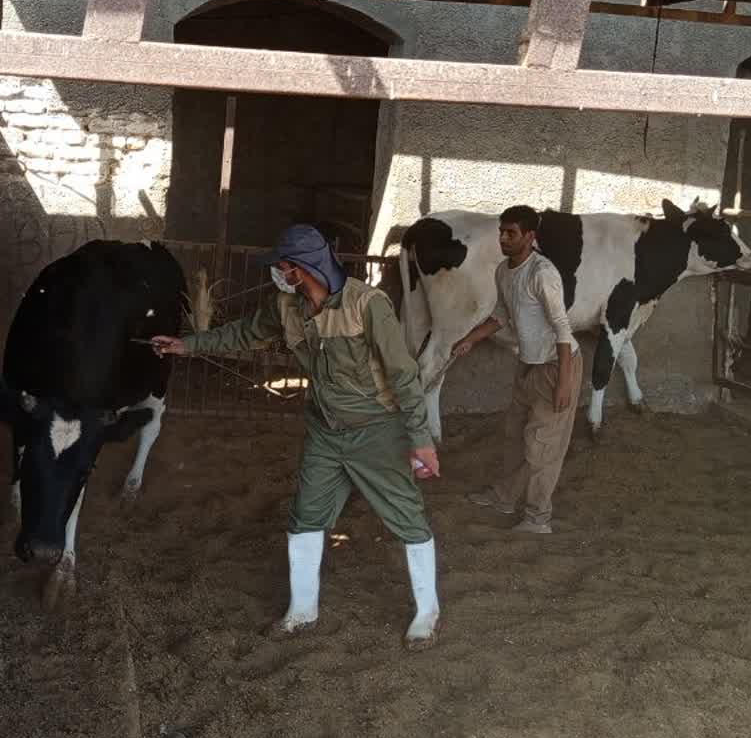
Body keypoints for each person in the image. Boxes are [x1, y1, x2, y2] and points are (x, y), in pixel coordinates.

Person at [151, 224, 443, 647]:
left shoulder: (366, 305)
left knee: (406, 516)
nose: (278, 273)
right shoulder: (286, 306)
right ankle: (302, 611)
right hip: (325, 430)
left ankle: (427, 612)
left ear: (300, 269)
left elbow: (403, 374)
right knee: (306, 515)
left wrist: (420, 438)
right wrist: (187, 345)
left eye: (282, 266)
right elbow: (244, 333)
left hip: (376, 430)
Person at [448, 204, 583, 535]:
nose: (503, 239)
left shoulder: (542, 274)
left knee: (542, 444)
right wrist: (470, 339)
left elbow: (562, 328)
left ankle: (538, 517)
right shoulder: (504, 271)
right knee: (515, 434)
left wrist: (564, 382)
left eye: (511, 233)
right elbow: (501, 315)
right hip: (528, 363)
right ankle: (505, 497)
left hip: (556, 365)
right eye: (501, 232)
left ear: (530, 236)